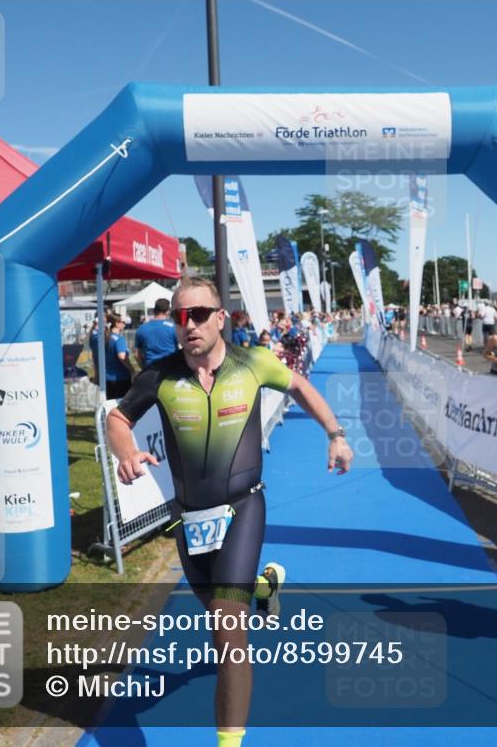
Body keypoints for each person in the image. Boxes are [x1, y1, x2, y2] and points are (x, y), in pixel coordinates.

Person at [106, 277, 353, 747]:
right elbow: (118, 418)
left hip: (243, 506)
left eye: (199, 314)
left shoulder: (252, 362)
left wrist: (335, 433)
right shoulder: (159, 376)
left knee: (226, 630)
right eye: (180, 315)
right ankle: (264, 591)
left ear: (221, 317)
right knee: (221, 611)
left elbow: (299, 386)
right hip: (188, 517)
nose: (189, 324)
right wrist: (126, 452)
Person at [134, 298, 178, 369]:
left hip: (150, 368)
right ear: (167, 311)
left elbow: (136, 354)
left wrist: (144, 368)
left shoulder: (142, 328)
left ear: (154, 310)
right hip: (170, 369)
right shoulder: (173, 327)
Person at [99, 314, 134, 399]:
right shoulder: (119, 339)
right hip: (120, 379)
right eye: (123, 322)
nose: (124, 324)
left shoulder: (106, 338)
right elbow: (122, 357)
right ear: (117, 323)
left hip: (108, 378)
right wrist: (132, 369)